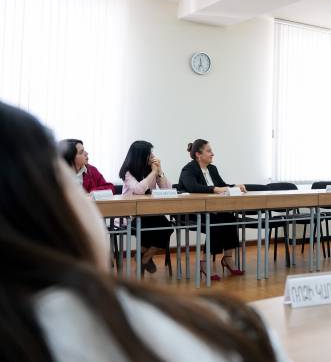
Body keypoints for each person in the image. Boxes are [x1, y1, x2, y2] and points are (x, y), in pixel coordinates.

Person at [0, 101, 281, 362]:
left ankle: (164, 257)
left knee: (194, 221)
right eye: (65, 187)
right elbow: (134, 191)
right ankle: (164, 256)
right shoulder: (132, 172)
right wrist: (152, 176)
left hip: (156, 212)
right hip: (136, 217)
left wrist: (159, 173)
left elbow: (164, 189)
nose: (87, 155)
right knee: (174, 223)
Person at [178, 139, 247, 280]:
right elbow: (193, 188)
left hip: (214, 210)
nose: (212, 154)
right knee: (215, 221)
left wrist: (235, 186)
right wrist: (216, 189)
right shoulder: (188, 169)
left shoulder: (212, 169)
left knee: (229, 218)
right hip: (193, 212)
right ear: (198, 154)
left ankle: (227, 258)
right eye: (209, 151)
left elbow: (222, 185)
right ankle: (205, 261)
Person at [119, 141, 174, 275]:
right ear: (141, 156)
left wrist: (159, 172)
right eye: (149, 153)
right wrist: (153, 173)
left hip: (150, 211)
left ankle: (144, 257)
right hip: (132, 214)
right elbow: (138, 190)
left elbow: (168, 189)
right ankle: (144, 258)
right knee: (152, 228)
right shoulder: (128, 172)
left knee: (166, 227)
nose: (152, 156)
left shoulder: (152, 169)